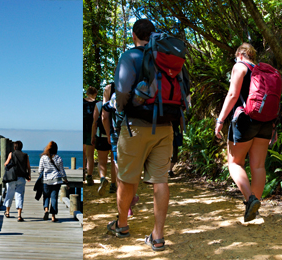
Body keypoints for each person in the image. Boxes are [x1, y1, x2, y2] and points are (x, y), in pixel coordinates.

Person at [108, 19, 170, 251]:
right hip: (165, 125)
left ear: (134, 36)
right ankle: (158, 236)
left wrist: (122, 109)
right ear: (152, 35)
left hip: (136, 124)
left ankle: (122, 224)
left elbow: (122, 90)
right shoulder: (166, 56)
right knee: (160, 180)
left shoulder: (129, 56)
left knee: (127, 177)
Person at [214, 42, 276, 222]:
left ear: (240, 54)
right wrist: (273, 126)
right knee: (258, 166)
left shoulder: (239, 66)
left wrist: (220, 119)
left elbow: (233, 95)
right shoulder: (264, 71)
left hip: (244, 120)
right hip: (265, 122)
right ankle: (254, 207)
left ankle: (251, 200)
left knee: (234, 163)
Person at [101, 83, 140, 216]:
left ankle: (126, 206)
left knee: (120, 169)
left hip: (118, 134)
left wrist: (108, 133)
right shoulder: (140, 89)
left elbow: (104, 116)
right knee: (134, 168)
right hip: (137, 132)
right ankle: (132, 197)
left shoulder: (113, 93)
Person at [91, 89, 117, 196]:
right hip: (115, 135)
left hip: (101, 136)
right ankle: (113, 185)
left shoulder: (98, 104)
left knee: (102, 162)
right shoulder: (118, 101)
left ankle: (102, 178)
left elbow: (95, 122)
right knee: (114, 162)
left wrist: (92, 136)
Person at [39, 141, 68, 222]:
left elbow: (39, 170)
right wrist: (66, 180)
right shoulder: (58, 158)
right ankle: (53, 217)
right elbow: (62, 171)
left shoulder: (43, 158)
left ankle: (46, 210)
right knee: (54, 197)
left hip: (46, 180)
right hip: (56, 180)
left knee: (46, 196)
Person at [3, 141, 31, 222]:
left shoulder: (11, 154)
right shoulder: (25, 155)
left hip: (12, 178)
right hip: (21, 178)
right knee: (20, 196)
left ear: (14, 147)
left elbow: (6, 164)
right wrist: (29, 175)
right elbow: (28, 167)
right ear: (21, 147)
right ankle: (19, 215)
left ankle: (7, 212)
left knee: (9, 194)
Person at [84, 87, 98, 185]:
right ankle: (89, 176)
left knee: (83, 154)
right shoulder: (96, 104)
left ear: (87, 93)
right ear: (95, 94)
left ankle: (82, 174)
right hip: (91, 130)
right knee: (90, 156)